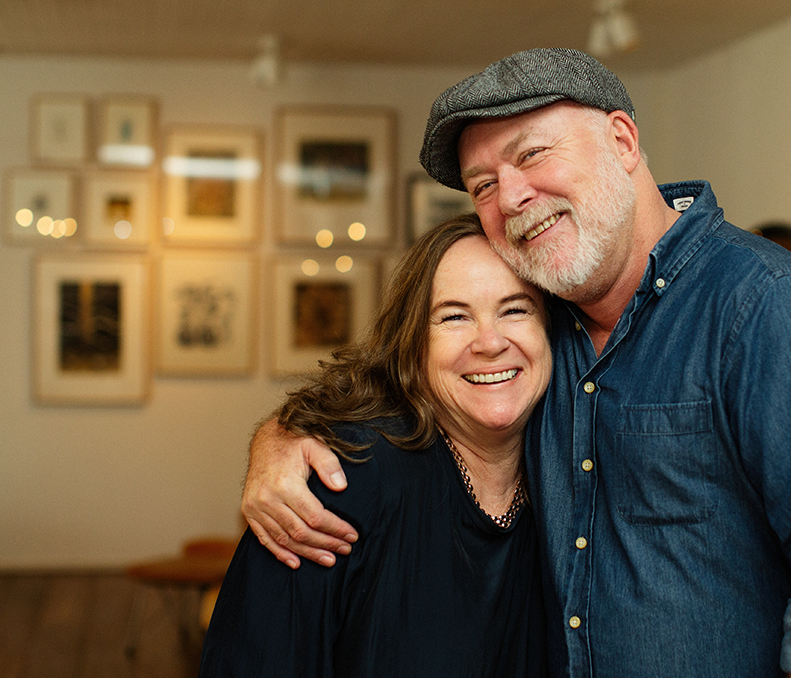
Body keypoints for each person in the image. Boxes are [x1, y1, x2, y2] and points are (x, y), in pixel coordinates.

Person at [241, 48, 791, 678]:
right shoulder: (541, 319)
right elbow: (399, 374)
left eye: (532, 154)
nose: (510, 198)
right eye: (483, 184)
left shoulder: (767, 309)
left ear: (623, 141)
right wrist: (278, 439)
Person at [200, 214, 552, 677]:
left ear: (553, 330)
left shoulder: (572, 474)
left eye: (515, 309)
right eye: (454, 317)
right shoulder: (341, 481)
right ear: (414, 346)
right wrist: (279, 435)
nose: (489, 342)